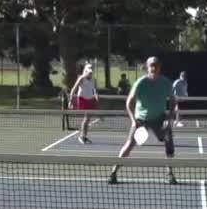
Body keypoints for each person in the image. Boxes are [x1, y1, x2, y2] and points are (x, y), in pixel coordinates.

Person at [107, 56, 177, 185]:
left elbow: (173, 101)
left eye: (156, 65)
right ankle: (113, 173)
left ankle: (170, 174)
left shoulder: (166, 83)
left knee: (168, 142)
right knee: (129, 146)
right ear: (147, 67)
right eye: (151, 65)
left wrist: (169, 117)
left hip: (159, 119)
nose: (154, 68)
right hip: (141, 120)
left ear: (160, 67)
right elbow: (129, 102)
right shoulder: (140, 83)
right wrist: (134, 120)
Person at [67, 62, 100, 143]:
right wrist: (70, 101)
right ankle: (82, 137)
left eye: (91, 72)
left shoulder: (93, 80)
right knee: (87, 118)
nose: (90, 73)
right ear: (85, 71)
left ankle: (84, 136)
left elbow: (94, 89)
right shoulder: (81, 78)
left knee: (87, 119)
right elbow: (73, 89)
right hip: (82, 99)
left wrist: (96, 95)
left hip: (90, 99)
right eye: (89, 72)